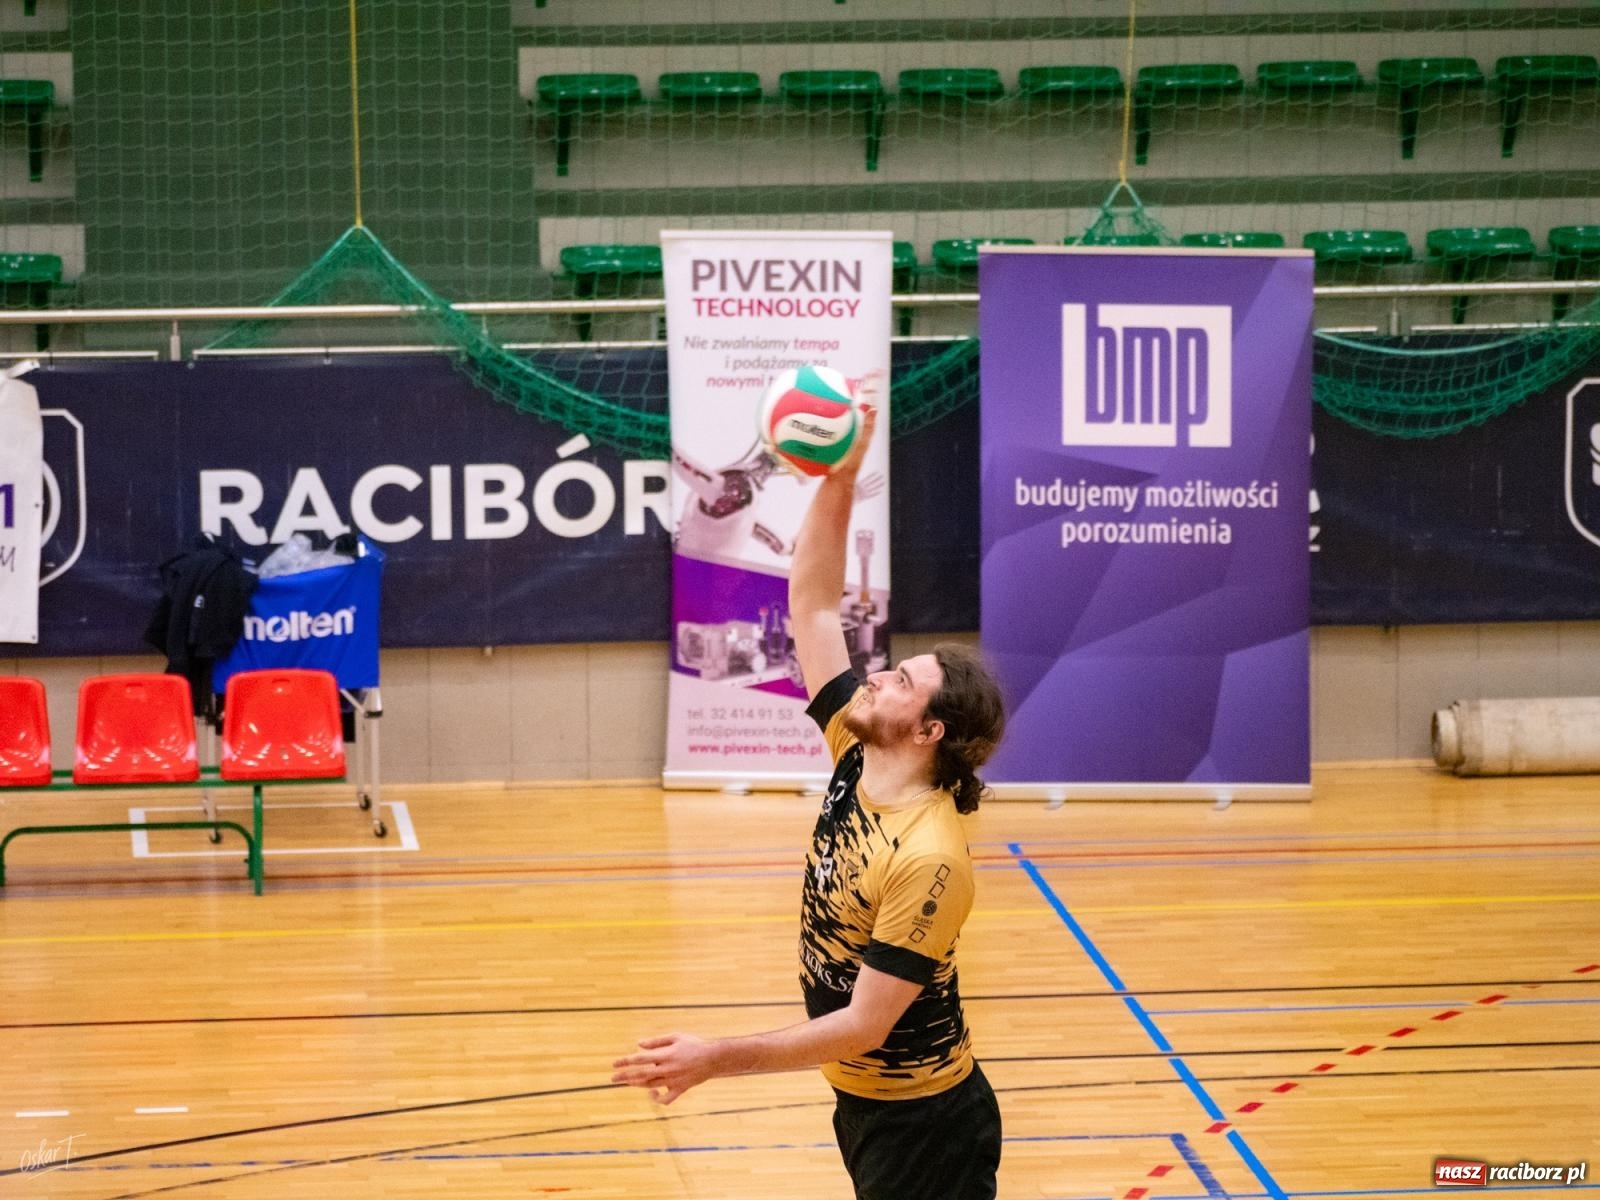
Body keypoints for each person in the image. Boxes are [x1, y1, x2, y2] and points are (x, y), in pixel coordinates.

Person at [612, 397, 1009, 1200]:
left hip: (926, 1125)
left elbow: (867, 1023)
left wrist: (714, 1057)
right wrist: (843, 475)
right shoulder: (857, 749)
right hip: (865, 1106)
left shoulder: (930, 859)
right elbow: (814, 603)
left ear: (929, 731)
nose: (877, 674)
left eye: (900, 680)